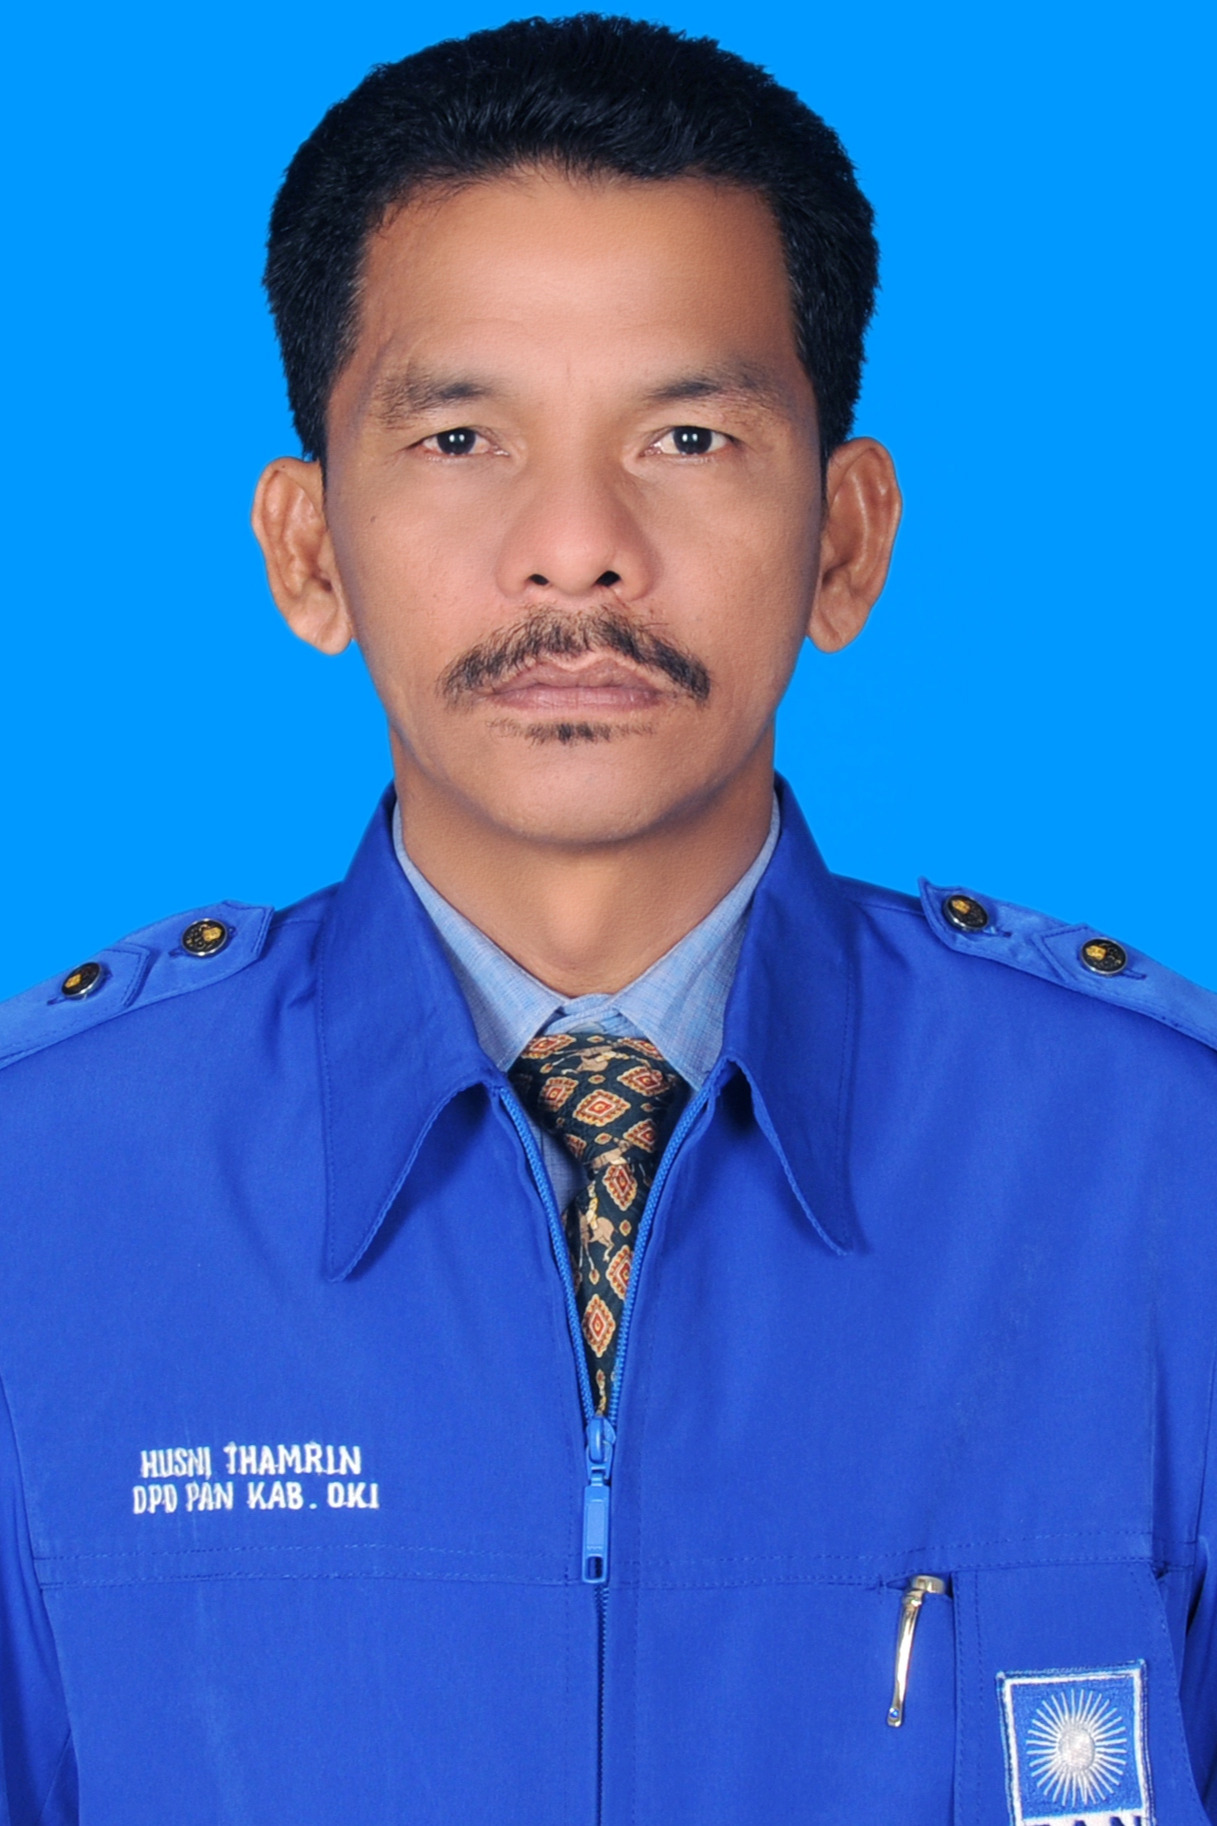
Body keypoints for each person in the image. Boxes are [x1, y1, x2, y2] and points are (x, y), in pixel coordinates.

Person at [0, 13, 1214, 1824]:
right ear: (310, 549)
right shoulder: (42, 1189)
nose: (576, 545)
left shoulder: (1162, 1165)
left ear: (844, 538)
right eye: (462, 436)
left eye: (689, 434)